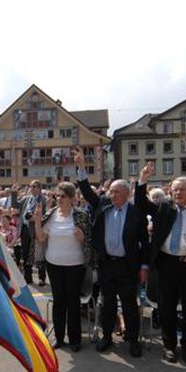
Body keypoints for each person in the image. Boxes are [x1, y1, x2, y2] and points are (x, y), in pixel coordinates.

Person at [73, 148, 148, 357]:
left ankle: (133, 340)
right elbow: (87, 192)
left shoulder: (136, 213)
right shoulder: (103, 204)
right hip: (106, 264)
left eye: (116, 192)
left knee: (129, 305)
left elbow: (144, 241)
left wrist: (144, 265)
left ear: (126, 193)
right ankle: (106, 337)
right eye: (111, 191)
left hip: (127, 265)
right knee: (107, 304)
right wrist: (81, 166)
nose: (111, 194)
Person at [135, 162, 186, 364]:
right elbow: (141, 204)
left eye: (182, 189)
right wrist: (143, 179)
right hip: (166, 264)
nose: (177, 192)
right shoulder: (163, 208)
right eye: (175, 189)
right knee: (166, 308)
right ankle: (169, 346)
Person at [32, 181, 93, 352]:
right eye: (57, 195)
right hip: (54, 265)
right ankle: (59, 338)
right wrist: (37, 222)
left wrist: (81, 237)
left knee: (73, 302)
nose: (59, 199)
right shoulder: (50, 214)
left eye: (63, 196)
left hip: (75, 265)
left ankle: (75, 340)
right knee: (59, 302)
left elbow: (89, 242)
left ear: (72, 198)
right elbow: (41, 239)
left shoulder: (80, 216)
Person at [11, 180, 47, 285]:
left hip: (36, 228)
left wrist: (32, 217)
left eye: (34, 186)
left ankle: (41, 278)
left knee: (39, 253)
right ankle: (28, 277)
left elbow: (43, 214)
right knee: (25, 254)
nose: (32, 188)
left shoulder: (42, 199)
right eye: (30, 186)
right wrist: (14, 192)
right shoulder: (26, 198)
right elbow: (15, 204)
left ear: (39, 188)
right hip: (24, 229)